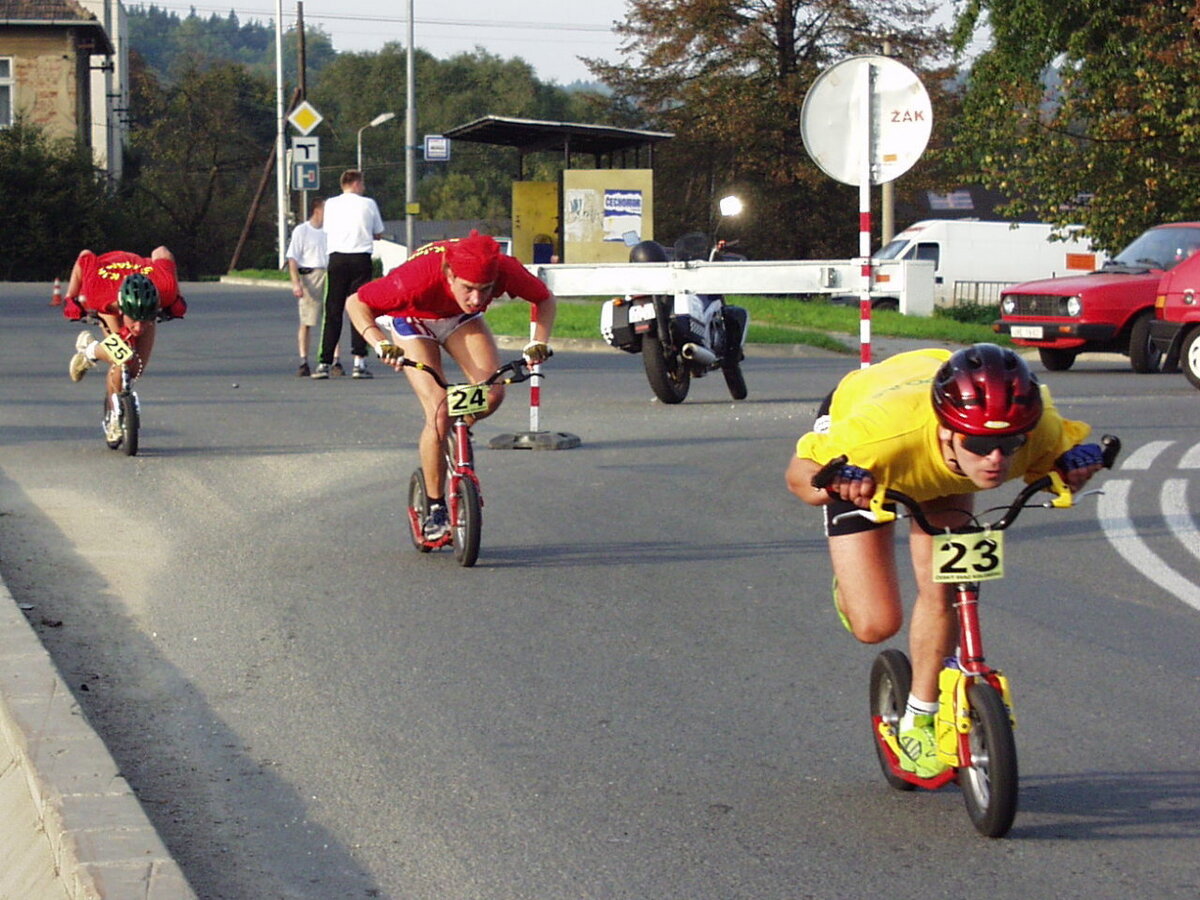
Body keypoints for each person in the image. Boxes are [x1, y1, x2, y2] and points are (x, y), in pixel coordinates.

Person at [785, 344, 1104, 778]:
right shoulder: (874, 437)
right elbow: (799, 477)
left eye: (1009, 444)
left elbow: (1056, 461)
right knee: (876, 624)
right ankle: (851, 584)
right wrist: (836, 482)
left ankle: (920, 718)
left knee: (945, 591)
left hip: (939, 460)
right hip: (873, 439)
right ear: (946, 431)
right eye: (979, 443)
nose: (995, 460)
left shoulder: (1035, 427)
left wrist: (1072, 469)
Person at [346, 231, 556, 540]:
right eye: (469, 288)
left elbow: (544, 298)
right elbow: (355, 303)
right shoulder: (412, 281)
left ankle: (458, 427)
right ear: (449, 274)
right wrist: (378, 344)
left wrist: (538, 342)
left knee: (493, 392)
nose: (477, 299)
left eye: (485, 290)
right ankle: (435, 508)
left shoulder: (503, 268)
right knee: (439, 411)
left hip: (458, 319)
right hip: (412, 318)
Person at [62, 247, 186, 438]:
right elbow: (85, 256)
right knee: (122, 356)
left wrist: (177, 296)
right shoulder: (99, 293)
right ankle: (90, 352)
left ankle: (93, 351)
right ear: (122, 310)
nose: (138, 327)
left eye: (145, 319)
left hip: (142, 291)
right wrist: (70, 297)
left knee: (136, 368)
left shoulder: (165, 289)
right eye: (134, 320)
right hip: (110, 297)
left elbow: (162, 252)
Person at [314, 169, 384, 380]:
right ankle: (359, 362)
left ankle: (324, 362)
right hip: (361, 259)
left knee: (333, 311)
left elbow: (328, 230)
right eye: (362, 184)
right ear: (355, 184)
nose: (363, 188)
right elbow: (378, 231)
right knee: (360, 308)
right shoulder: (369, 204)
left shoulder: (331, 204)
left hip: (337, 259)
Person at [286, 197, 339, 377]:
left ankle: (334, 360)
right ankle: (304, 361)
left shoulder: (331, 230)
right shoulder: (302, 231)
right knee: (307, 320)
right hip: (310, 275)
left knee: (332, 317)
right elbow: (292, 259)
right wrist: (296, 283)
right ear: (317, 211)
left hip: (330, 273)